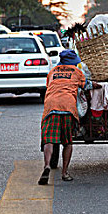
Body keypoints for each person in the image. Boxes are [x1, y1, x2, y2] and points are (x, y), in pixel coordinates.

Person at [38, 49, 99, 185]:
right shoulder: (77, 72)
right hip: (68, 107)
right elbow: (87, 85)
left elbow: (49, 86)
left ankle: (47, 165)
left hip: (51, 107)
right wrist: (98, 85)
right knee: (67, 142)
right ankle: (64, 173)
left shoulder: (52, 72)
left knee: (48, 140)